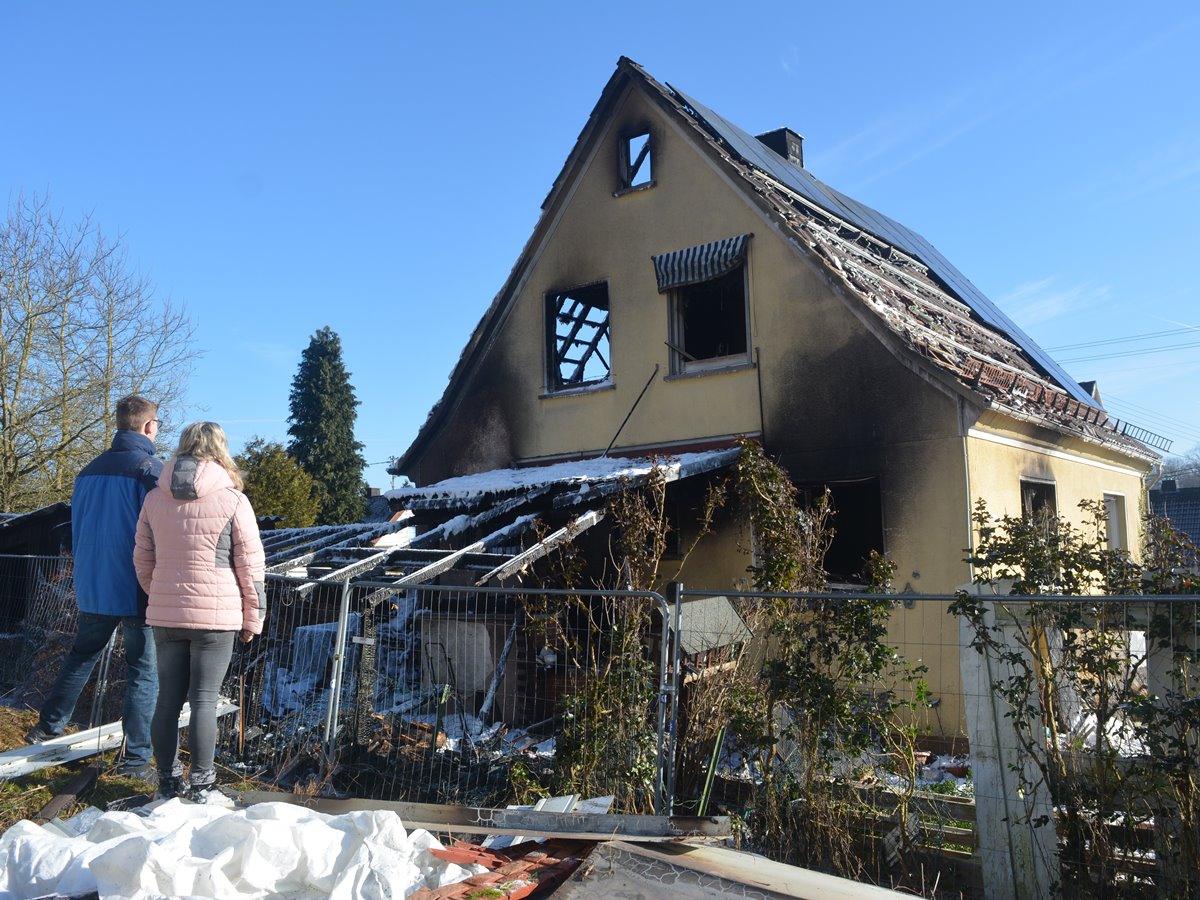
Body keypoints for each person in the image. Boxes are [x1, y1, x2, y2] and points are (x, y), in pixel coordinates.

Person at [26, 395, 163, 778]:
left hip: (93, 584)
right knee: (143, 670)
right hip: (137, 586)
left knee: (81, 656)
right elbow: (161, 529)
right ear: (149, 426)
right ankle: (135, 760)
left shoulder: (87, 471)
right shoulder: (150, 470)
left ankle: (47, 726)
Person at [133, 421, 266, 801]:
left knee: (167, 700)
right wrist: (252, 617)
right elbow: (251, 569)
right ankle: (202, 783)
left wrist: (161, 594)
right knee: (204, 699)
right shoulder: (233, 500)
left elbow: (142, 558)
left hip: (165, 615)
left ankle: (167, 781)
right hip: (217, 617)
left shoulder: (154, 498)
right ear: (221, 449)